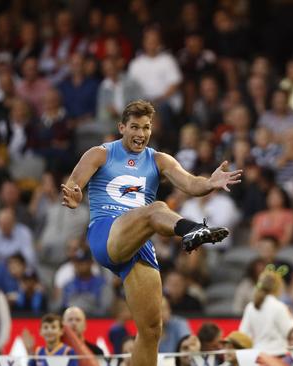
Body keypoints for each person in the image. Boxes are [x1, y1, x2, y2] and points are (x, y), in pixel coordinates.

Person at [61, 100, 240, 366]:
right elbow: (75, 183)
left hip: (139, 241)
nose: (140, 134)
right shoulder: (99, 154)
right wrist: (75, 196)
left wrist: (210, 183)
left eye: (146, 128)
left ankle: (192, 231)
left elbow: (190, 183)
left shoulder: (159, 159)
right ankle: (193, 230)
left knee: (151, 330)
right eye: (134, 127)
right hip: (107, 232)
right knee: (155, 209)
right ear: (122, 127)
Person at [239, 268, 293, 356]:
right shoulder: (279, 307)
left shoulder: (250, 307)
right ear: (277, 287)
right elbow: (290, 332)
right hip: (278, 355)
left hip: (258, 356)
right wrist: (292, 318)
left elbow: (243, 334)